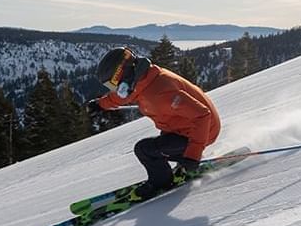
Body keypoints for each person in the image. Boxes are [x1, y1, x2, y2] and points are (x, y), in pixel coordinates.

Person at [87, 47, 221, 200]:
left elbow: (202, 115)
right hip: (182, 128)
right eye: (111, 86)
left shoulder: (160, 93)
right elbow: (123, 97)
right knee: (159, 145)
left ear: (124, 74)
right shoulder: (144, 79)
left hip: (204, 131)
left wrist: (193, 155)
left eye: (114, 84)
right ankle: (178, 165)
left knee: (144, 149)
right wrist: (100, 104)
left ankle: (162, 182)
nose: (116, 89)